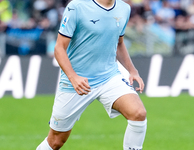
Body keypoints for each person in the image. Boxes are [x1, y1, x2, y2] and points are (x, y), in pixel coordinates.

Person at [36, 0, 147, 149]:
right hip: (76, 82)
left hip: (109, 77)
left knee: (138, 113)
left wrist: (133, 71)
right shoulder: (77, 6)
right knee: (56, 141)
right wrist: (73, 77)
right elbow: (59, 48)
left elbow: (119, 43)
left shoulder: (124, 8)